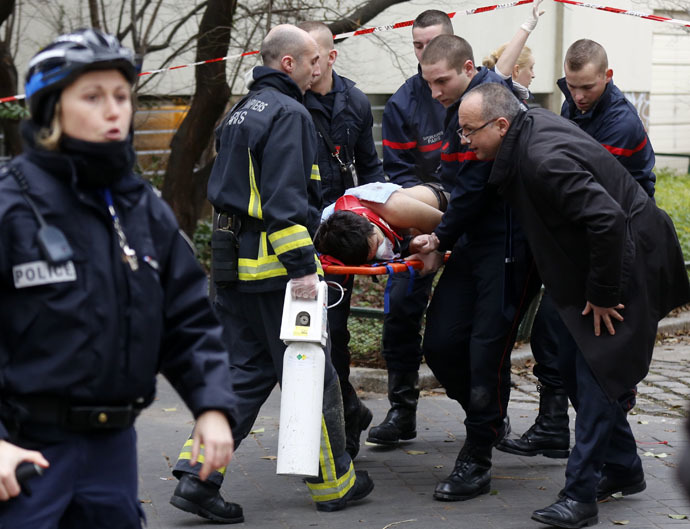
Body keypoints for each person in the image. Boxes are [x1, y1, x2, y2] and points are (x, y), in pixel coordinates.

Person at [0, 28, 235, 528]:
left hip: (113, 453)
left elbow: (188, 317)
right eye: (92, 96)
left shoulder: (140, 206)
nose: (114, 110)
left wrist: (211, 406)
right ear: (50, 110)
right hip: (22, 454)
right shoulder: (10, 205)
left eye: (122, 96)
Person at [458, 81, 690, 528]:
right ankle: (623, 466)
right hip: (606, 259)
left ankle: (580, 494)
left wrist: (604, 295)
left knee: (599, 373)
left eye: (469, 131)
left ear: (501, 124)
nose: (464, 142)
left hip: (628, 260)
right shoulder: (526, 132)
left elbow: (606, 220)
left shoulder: (541, 158)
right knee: (566, 359)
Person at [169, 24, 374, 523]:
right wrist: (304, 270)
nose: (316, 68)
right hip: (274, 272)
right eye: (310, 62)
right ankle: (334, 484)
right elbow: (285, 202)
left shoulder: (241, 110)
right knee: (313, 377)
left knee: (243, 375)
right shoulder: (290, 113)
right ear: (289, 64)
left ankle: (198, 477)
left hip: (232, 269)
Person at [405, 5, 545, 503]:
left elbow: (476, 191)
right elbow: (453, 187)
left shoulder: (494, 107)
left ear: (467, 71)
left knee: (487, 351)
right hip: (467, 245)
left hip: (509, 250)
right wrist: (436, 233)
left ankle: (478, 456)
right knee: (441, 344)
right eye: (427, 81)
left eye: (440, 80)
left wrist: (438, 235)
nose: (433, 91)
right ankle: (487, 417)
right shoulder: (455, 110)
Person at [497, 39, 658, 467]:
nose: (579, 96)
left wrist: (604, 283)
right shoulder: (574, 106)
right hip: (587, 244)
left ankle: (606, 453)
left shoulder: (620, 125)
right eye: (572, 86)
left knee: (597, 357)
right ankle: (559, 429)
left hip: (617, 246)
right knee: (554, 336)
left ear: (608, 76)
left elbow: (607, 207)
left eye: (587, 87)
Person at [297, 21, 387, 459]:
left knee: (335, 331)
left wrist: (374, 234)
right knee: (308, 336)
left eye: (314, 56)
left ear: (331, 57)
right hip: (299, 237)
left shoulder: (354, 100)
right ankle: (348, 410)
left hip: (342, 237)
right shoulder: (288, 100)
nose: (306, 66)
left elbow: (370, 172)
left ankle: (345, 430)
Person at [315, 182, 444, 265]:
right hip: (410, 235)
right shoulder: (326, 235)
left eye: (378, 243)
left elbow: (452, 228)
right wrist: (410, 246)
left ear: (366, 219)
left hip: (444, 205)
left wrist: (437, 252)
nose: (383, 252)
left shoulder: (394, 208)